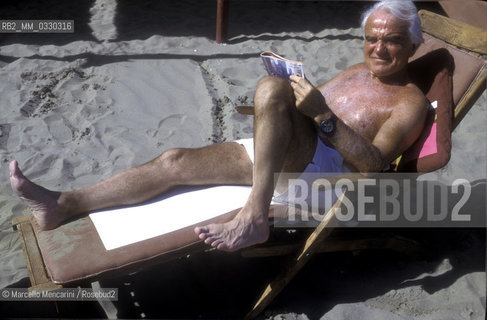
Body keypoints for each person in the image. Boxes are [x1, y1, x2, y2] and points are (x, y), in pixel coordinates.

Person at [9, 0, 428, 252]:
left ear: (412, 43)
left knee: (271, 86)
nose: (378, 48)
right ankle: (63, 205)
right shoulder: (359, 70)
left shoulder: (408, 102)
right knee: (173, 161)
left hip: (331, 180)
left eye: (391, 40)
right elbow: (318, 114)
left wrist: (318, 114)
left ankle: (255, 215)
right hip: (299, 153)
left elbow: (374, 167)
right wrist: (300, 107)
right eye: (372, 37)